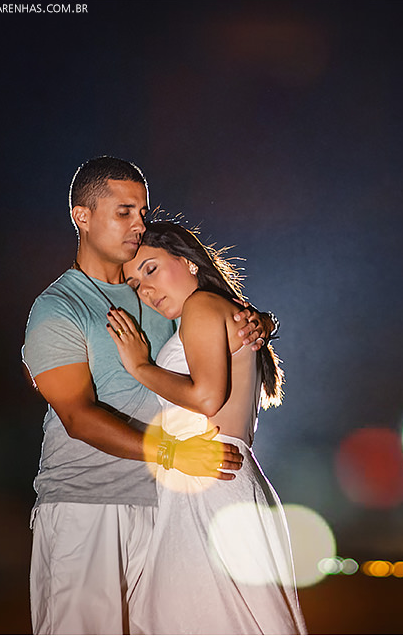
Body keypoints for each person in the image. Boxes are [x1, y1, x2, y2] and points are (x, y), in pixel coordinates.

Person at [22, 156, 274, 634]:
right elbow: (77, 416)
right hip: (87, 503)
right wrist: (172, 453)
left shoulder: (157, 294)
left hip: (165, 508)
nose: (139, 223)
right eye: (125, 211)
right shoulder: (59, 307)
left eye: (143, 212)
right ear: (83, 216)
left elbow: (210, 328)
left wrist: (258, 322)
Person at [106, 221, 306, 635]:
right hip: (223, 477)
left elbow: (207, 398)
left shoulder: (200, 307)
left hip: (212, 479)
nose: (144, 289)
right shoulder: (216, 311)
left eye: (151, 269)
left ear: (188, 262)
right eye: (134, 282)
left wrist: (140, 366)